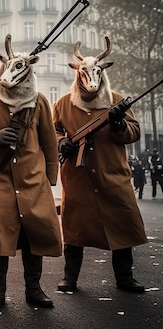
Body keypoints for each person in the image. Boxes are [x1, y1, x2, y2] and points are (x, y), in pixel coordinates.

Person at [0, 35, 62, 310]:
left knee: (34, 235)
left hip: (33, 181)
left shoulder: (39, 102)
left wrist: (49, 180)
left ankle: (34, 290)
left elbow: (50, 144)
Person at [53, 37, 147, 294]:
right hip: (78, 177)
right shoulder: (62, 103)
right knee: (74, 229)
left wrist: (118, 124)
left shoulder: (116, 100)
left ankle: (125, 278)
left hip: (112, 175)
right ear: (78, 74)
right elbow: (53, 132)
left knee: (122, 225)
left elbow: (133, 132)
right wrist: (62, 143)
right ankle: (70, 278)